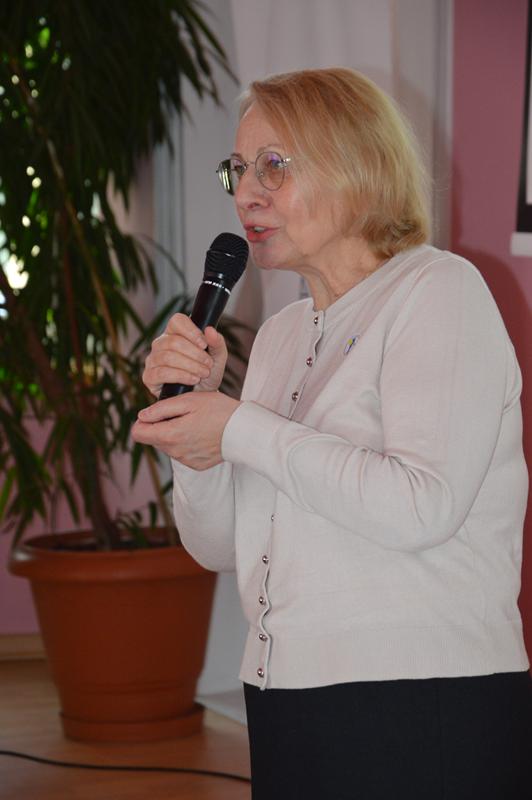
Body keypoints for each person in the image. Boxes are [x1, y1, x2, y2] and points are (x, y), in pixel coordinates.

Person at [132, 68, 531, 799]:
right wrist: (200, 429)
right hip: (286, 696)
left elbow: (421, 505)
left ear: (358, 165)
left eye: (273, 166)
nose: (246, 193)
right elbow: (219, 546)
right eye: (238, 169)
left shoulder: (438, 291)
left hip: (422, 698)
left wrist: (240, 427)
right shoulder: (283, 334)